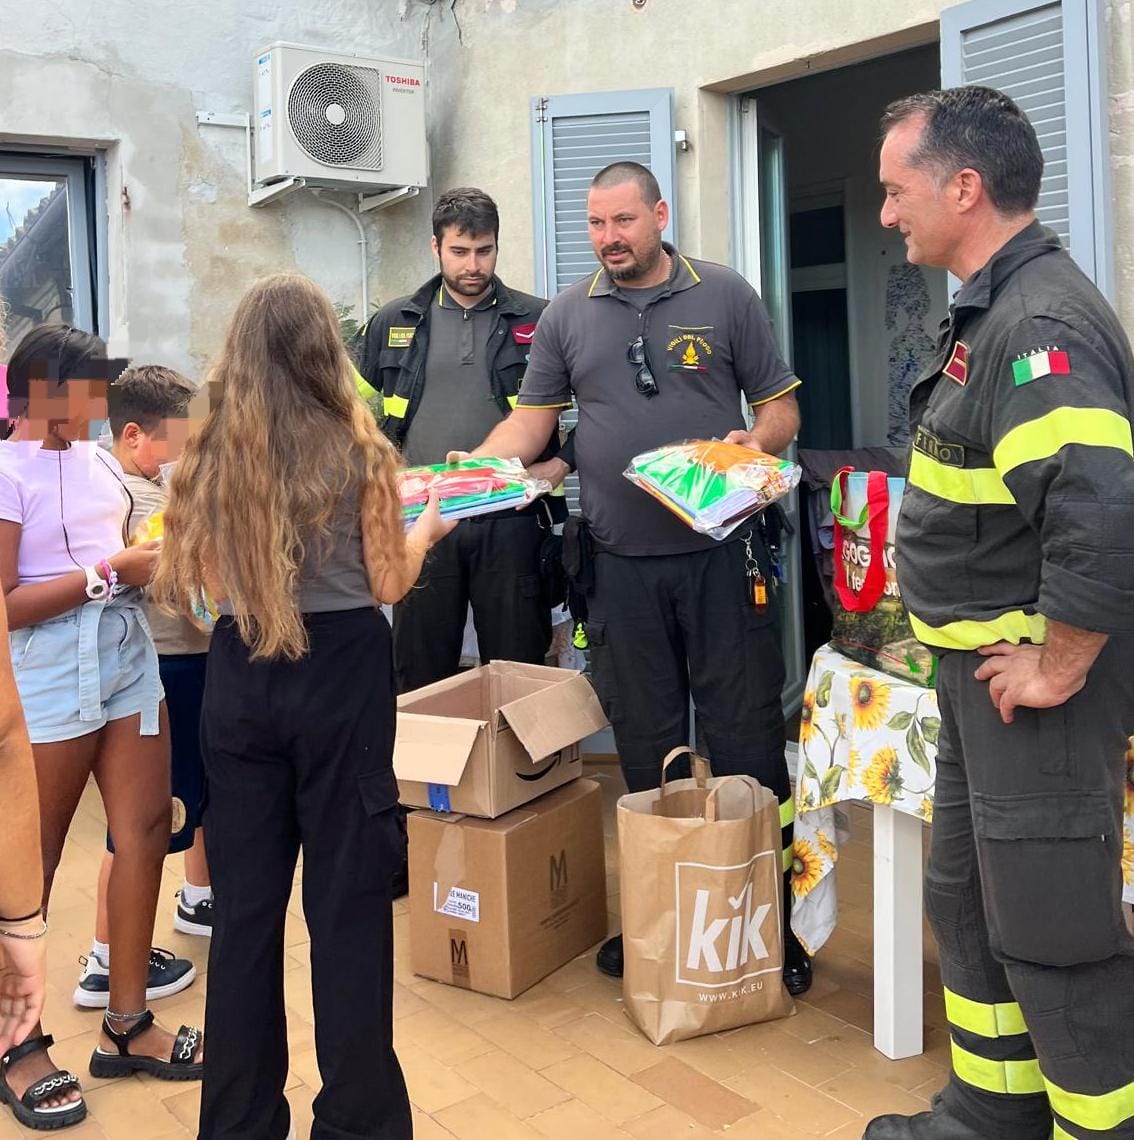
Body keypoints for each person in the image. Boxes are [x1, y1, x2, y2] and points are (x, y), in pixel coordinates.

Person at [455, 160, 812, 995]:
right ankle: (658, 915)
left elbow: (783, 408)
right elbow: (532, 421)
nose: (608, 240)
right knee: (647, 748)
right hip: (616, 569)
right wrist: (471, 465)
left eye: (622, 222)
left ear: (658, 214)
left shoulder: (725, 295)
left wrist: (745, 454)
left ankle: (774, 923)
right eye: (595, 225)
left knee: (749, 745)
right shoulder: (568, 317)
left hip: (723, 560)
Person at [866, 86, 1134, 1140]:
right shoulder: (993, 306)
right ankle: (994, 1110)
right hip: (981, 688)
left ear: (963, 187)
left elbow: (1100, 507)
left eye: (897, 191)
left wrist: (1060, 667)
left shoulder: (1038, 324)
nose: (888, 214)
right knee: (973, 911)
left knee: (1055, 936)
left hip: (1039, 706)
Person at [152, 273, 452, 1140]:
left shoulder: (208, 455)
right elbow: (388, 580)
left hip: (243, 675)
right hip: (344, 684)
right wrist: (426, 530)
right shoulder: (359, 452)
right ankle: (358, 1123)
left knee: (244, 915)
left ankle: (240, 1123)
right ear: (326, 350)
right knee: (347, 911)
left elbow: (200, 592)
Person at [0, 325, 204, 1132]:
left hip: (125, 660)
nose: (91, 408)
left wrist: (154, 556)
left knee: (146, 831)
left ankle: (126, 1023)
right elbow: (9, 605)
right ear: (35, 391)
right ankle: (19, 1045)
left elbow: (121, 548)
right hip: (45, 677)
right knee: (30, 867)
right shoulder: (6, 473)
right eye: (79, 390)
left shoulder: (98, 466)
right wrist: (112, 572)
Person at [357, 186, 568, 693]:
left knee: (519, 671)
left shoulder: (541, 320)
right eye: (459, 251)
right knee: (419, 669)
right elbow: (351, 415)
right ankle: (427, 773)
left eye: (484, 250)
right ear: (435, 247)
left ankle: (523, 773)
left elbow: (607, 412)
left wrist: (563, 464)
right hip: (421, 524)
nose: (473, 265)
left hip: (513, 520)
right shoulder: (392, 323)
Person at [72, 366, 213, 1010]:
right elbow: (181, 590)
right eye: (181, 441)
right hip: (162, 666)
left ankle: (200, 898)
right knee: (143, 821)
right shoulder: (129, 500)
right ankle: (106, 959)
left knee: (196, 785)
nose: (188, 454)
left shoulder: (153, 478)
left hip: (187, 662)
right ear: (134, 436)